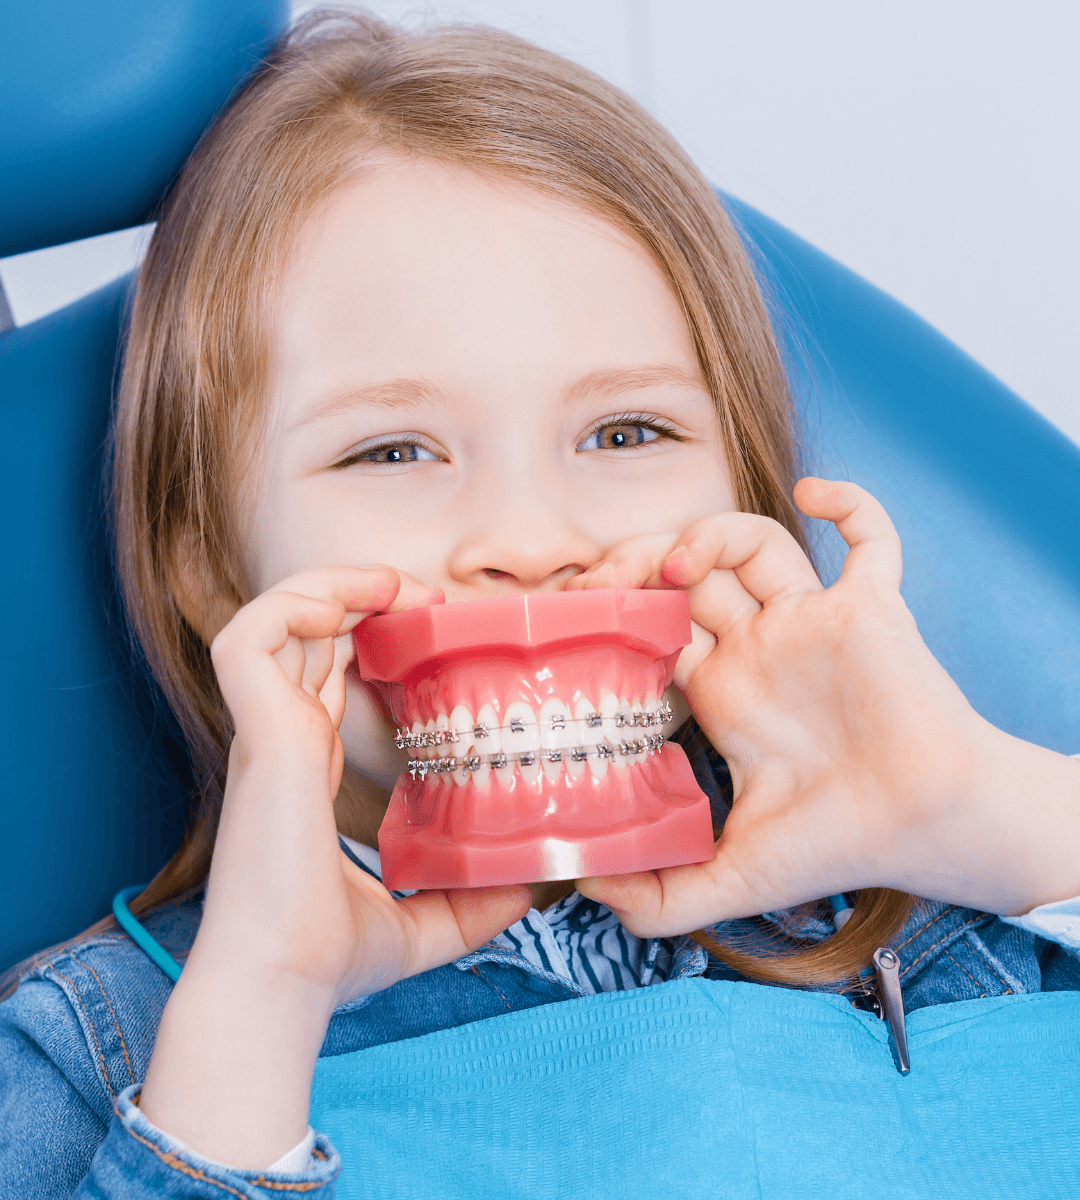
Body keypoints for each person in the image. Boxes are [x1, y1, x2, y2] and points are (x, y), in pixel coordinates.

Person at [2, 9, 1078, 1196]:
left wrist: (979, 809)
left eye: (626, 431)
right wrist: (257, 1001)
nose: (530, 543)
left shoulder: (957, 903)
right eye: (393, 452)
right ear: (210, 567)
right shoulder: (96, 1052)